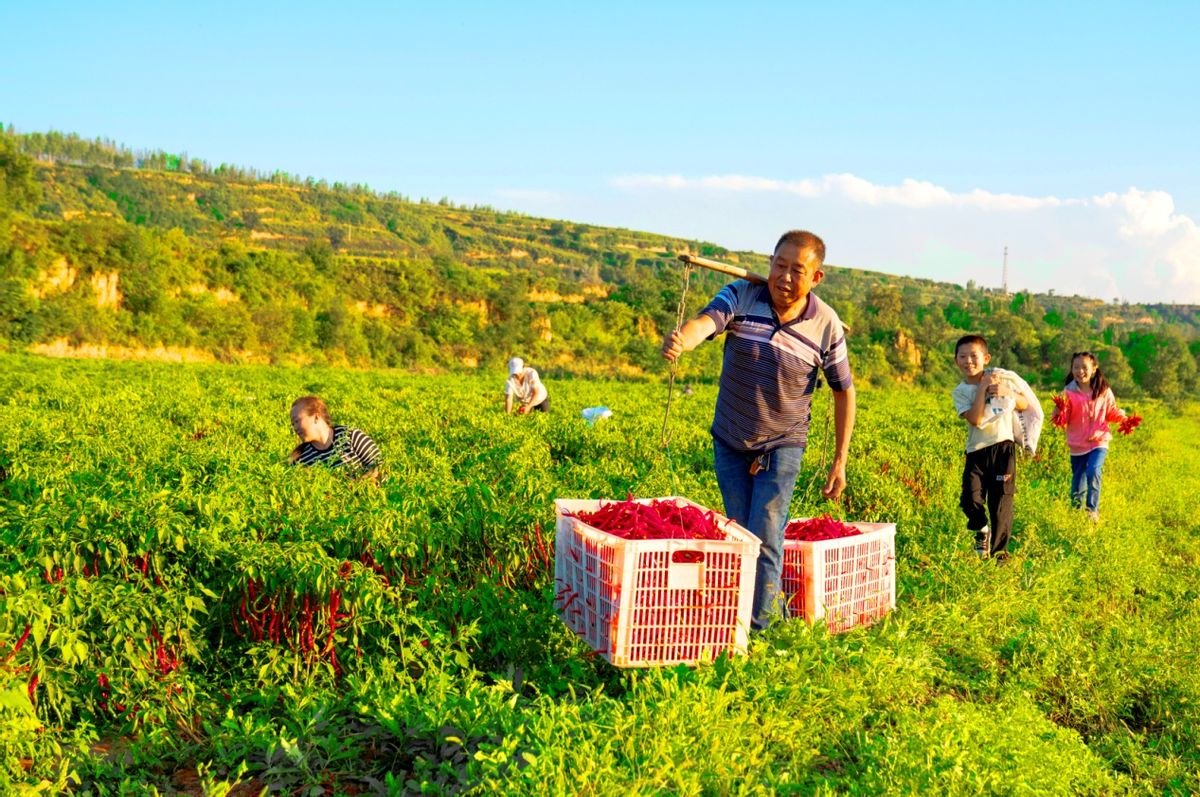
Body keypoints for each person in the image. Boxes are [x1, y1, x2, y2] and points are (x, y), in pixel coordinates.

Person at [661, 229, 855, 630]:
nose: (784, 277)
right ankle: (767, 615)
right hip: (731, 436)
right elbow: (706, 322)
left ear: (816, 278)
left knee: (766, 535)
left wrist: (840, 459)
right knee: (742, 533)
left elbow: (843, 392)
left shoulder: (826, 324)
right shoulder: (741, 295)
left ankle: (760, 632)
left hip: (782, 443)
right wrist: (685, 339)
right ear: (769, 263)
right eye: (778, 265)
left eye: (796, 271)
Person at [952, 335, 1029, 559]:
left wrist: (1007, 393)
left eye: (974, 356)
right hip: (976, 451)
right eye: (963, 356)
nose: (968, 361)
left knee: (1001, 503)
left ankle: (999, 556)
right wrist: (983, 388)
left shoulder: (1002, 379)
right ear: (956, 361)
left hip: (1002, 448)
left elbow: (1024, 404)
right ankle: (981, 528)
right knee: (969, 499)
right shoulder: (961, 391)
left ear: (986, 358)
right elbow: (975, 419)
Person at [1051, 351, 1128, 521]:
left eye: (1084, 367)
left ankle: (1092, 511)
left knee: (1093, 470)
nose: (1080, 371)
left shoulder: (1103, 390)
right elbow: (1064, 419)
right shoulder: (1068, 392)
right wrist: (1057, 413)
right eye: (1076, 367)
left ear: (1094, 369)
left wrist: (1123, 418)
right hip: (1077, 444)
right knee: (1078, 483)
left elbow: (1111, 412)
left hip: (1099, 441)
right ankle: (1075, 515)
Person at [289, 395, 381, 479]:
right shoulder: (301, 459)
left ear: (316, 417)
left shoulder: (350, 435)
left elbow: (378, 465)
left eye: (297, 421)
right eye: (293, 424)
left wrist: (356, 486)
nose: (295, 427)